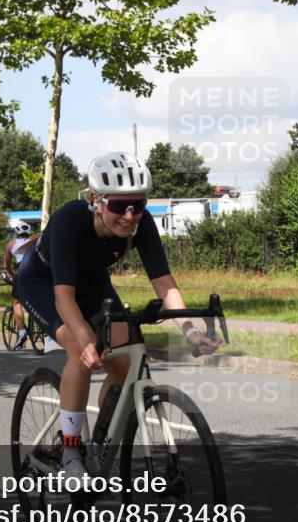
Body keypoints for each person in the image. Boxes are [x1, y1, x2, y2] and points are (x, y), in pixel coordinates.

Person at [17, 152, 221, 483]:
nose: (129, 215)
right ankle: (70, 451)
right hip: (44, 283)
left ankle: (99, 444)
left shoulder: (140, 224)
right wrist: (85, 338)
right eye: (119, 206)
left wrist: (191, 332)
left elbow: (163, 283)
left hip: (93, 283)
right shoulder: (71, 220)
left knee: (123, 364)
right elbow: (64, 297)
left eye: (137, 206)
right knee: (78, 349)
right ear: (97, 200)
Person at [3, 221, 36, 349]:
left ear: (17, 233)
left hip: (21, 274)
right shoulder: (34, 243)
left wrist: (12, 274)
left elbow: (6, 264)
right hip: (36, 274)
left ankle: (22, 333)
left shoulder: (11, 245)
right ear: (29, 233)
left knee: (17, 303)